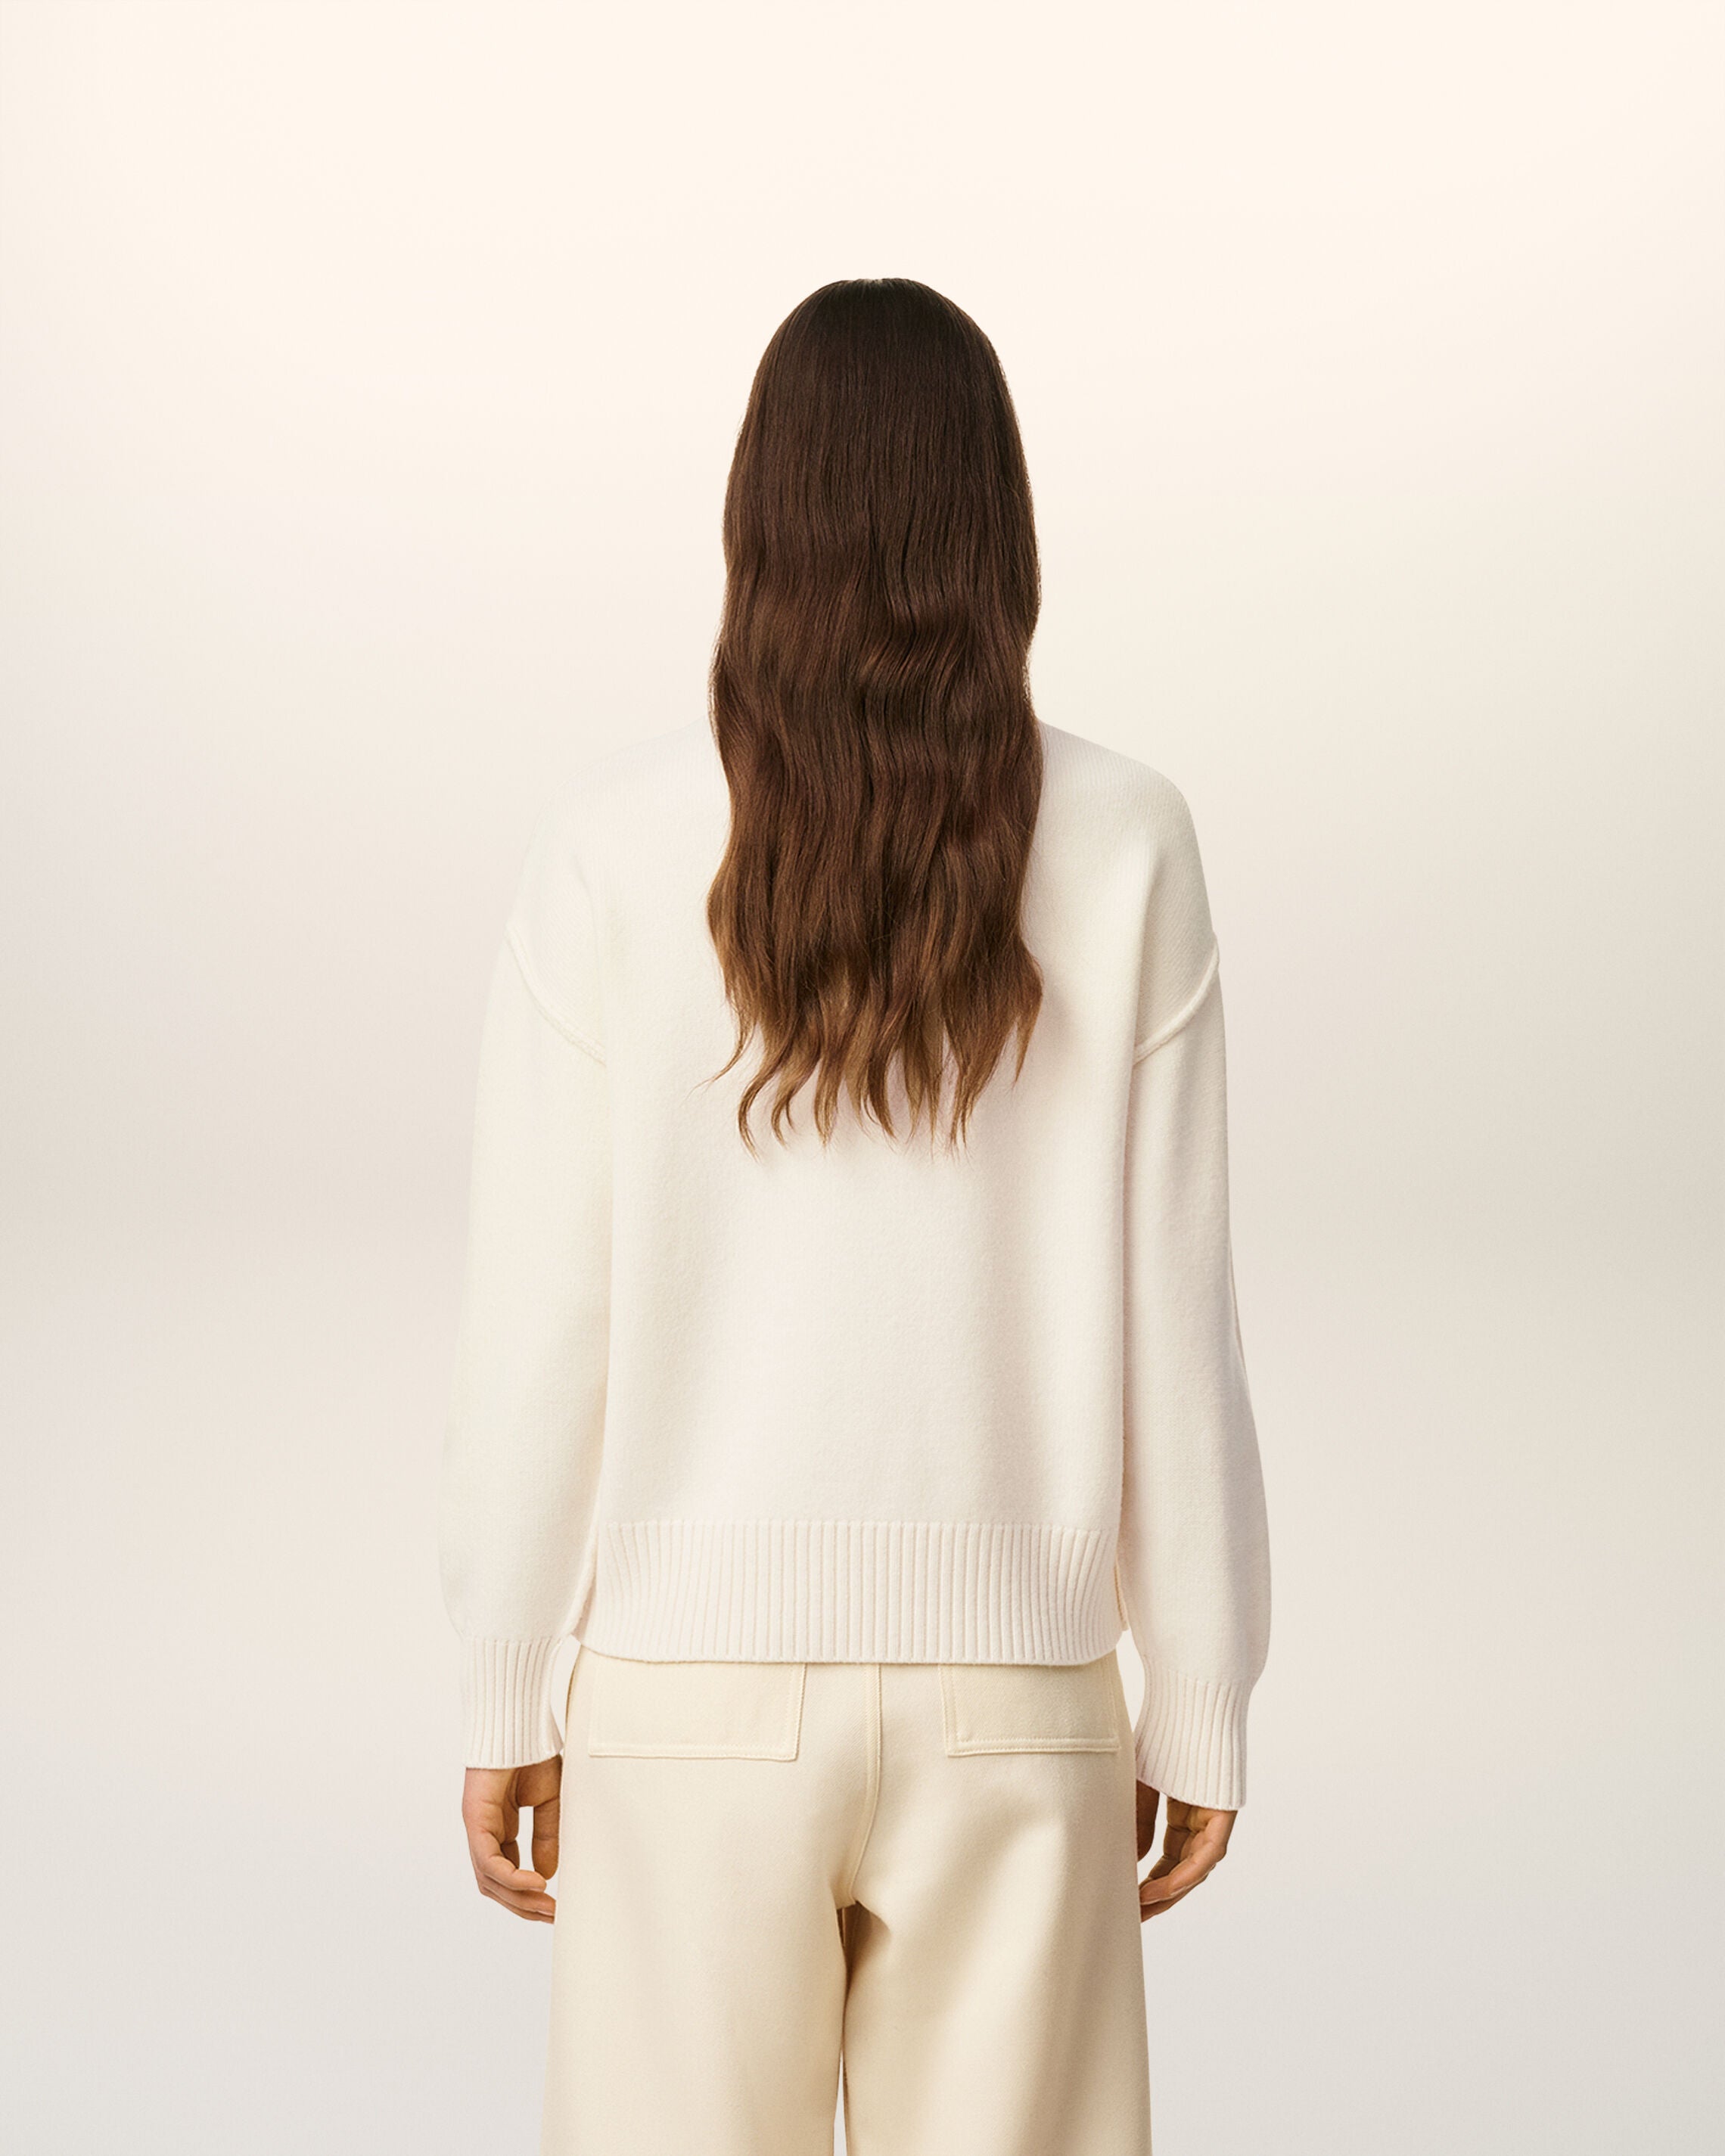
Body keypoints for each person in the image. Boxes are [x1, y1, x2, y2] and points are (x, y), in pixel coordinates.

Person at [438, 277, 1272, 2156]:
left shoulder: (609, 851)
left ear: (759, 514)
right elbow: (1177, 1307)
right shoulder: (1131, 841)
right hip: (1020, 1706)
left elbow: (542, 1315)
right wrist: (1201, 1691)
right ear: (999, 523)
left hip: (685, 1709)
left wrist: (506, 1671)